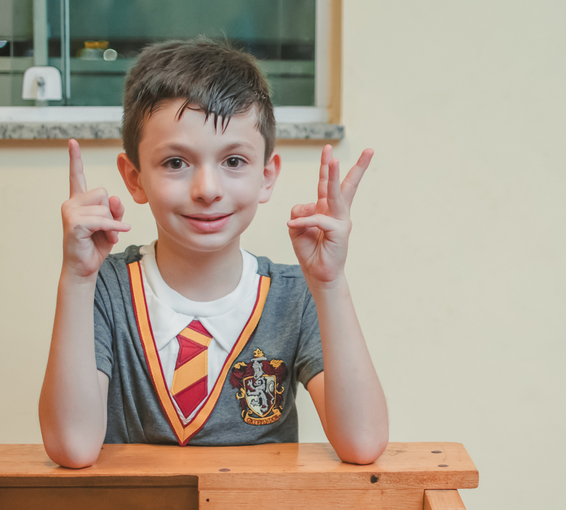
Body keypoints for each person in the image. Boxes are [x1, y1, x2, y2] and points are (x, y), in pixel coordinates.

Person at [39, 38, 387, 467]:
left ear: (266, 176)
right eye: (175, 163)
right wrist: (75, 279)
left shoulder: (296, 296)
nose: (207, 190)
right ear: (134, 178)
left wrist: (330, 284)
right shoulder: (105, 287)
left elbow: (364, 442)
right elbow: (72, 448)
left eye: (234, 161)